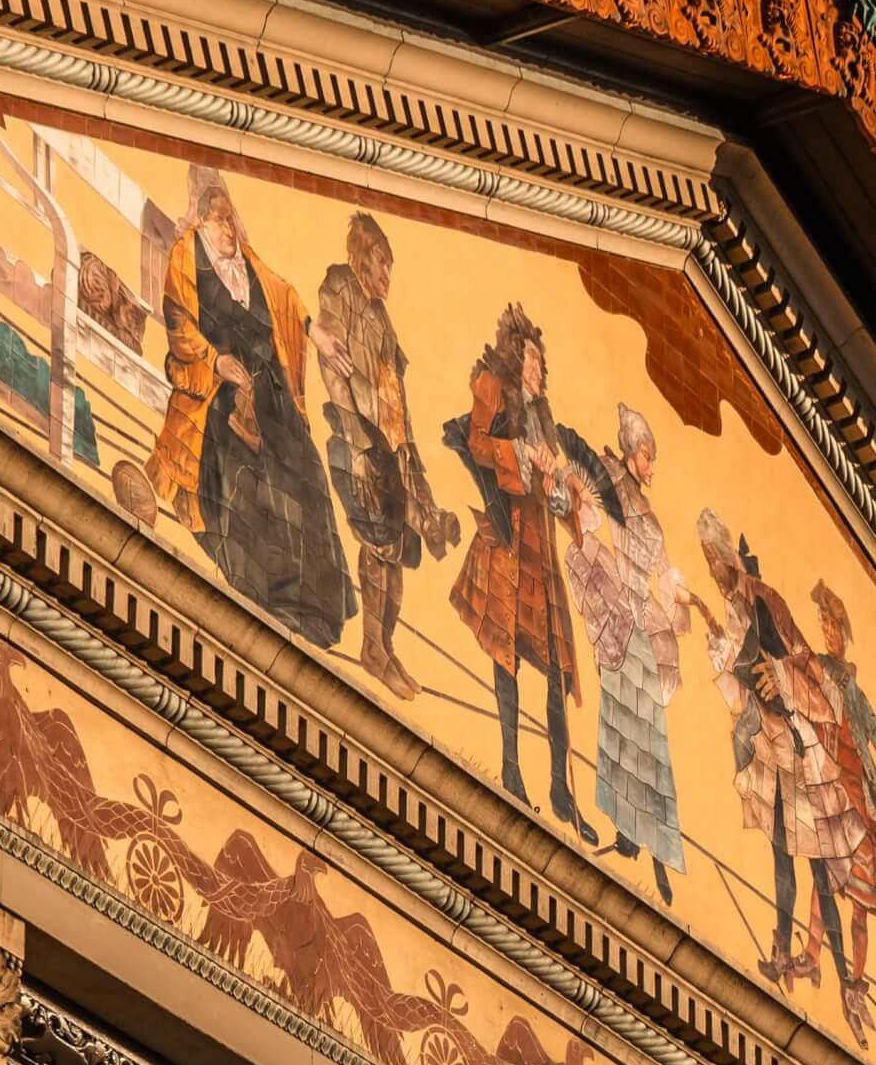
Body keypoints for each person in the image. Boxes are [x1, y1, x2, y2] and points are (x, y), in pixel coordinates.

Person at [147, 178, 353, 646]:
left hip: (271, 392)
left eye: (231, 217)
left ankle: (317, 610)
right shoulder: (187, 255)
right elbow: (178, 323)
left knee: (307, 483)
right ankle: (267, 598)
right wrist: (215, 361)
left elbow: (283, 296)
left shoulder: (248, 261)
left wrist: (313, 333)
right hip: (218, 394)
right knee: (252, 485)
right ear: (202, 219)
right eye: (219, 218)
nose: (228, 227)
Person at [696, 513, 866, 1018]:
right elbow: (740, 666)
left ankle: (844, 980)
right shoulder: (736, 607)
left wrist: (776, 677)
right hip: (772, 741)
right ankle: (779, 952)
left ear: (729, 556)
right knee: (779, 854)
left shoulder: (766, 599)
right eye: (707, 563)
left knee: (818, 871)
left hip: (798, 745)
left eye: (715, 561)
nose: (713, 572)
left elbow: (802, 664)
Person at [445, 305, 593, 836]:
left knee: (556, 666)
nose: (538, 369)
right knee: (505, 654)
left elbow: (555, 497)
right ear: (516, 354)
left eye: (540, 362)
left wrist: (557, 486)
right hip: (508, 539)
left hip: (541, 548)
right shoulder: (492, 385)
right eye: (532, 358)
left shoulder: (543, 414)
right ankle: (510, 769)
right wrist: (522, 458)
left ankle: (559, 787)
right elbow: (477, 442)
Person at [310, 211, 458, 699]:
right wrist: (356, 438)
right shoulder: (341, 288)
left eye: (389, 264)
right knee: (377, 546)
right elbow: (333, 366)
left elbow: (397, 396)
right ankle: (373, 647)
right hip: (359, 440)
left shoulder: (383, 321)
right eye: (380, 262)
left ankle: (384, 647)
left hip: (393, 450)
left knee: (395, 558)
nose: (387, 274)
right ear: (361, 258)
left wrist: (414, 469)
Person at [560, 405, 693, 901]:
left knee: (651, 737)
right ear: (631, 450)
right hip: (618, 620)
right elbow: (582, 514)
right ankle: (625, 835)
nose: (651, 465)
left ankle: (658, 850)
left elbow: (665, 571)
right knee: (618, 724)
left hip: (641, 621)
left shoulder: (651, 518)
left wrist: (681, 598)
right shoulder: (609, 479)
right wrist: (572, 498)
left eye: (652, 457)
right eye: (646, 454)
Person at [804, 585, 876, 1039]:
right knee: (824, 877)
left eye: (835, 626)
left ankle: (856, 986)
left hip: (859, 798)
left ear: (845, 634)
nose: (829, 632)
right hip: (829, 782)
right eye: (825, 624)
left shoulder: (858, 694)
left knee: (861, 905)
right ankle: (811, 955)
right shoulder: (817, 671)